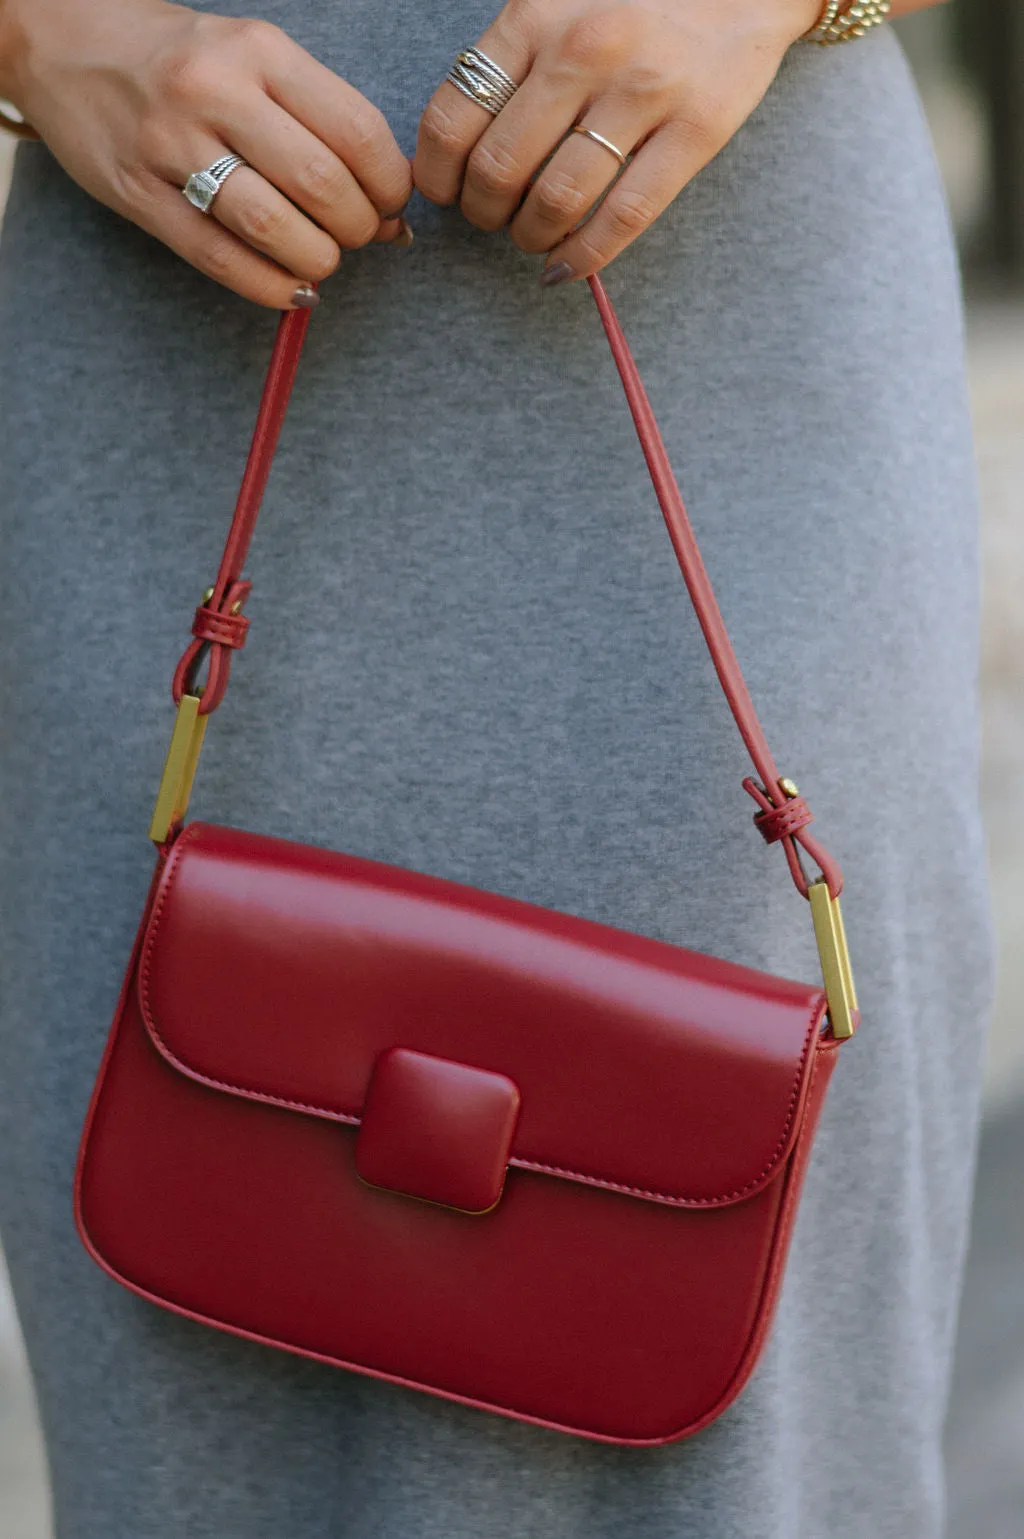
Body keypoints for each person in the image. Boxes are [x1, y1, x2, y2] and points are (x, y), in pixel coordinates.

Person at [0, 2, 991, 1536]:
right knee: (199, 1406)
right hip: (163, 318)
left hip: (730, 343)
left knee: (742, 1441)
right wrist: (43, 37)